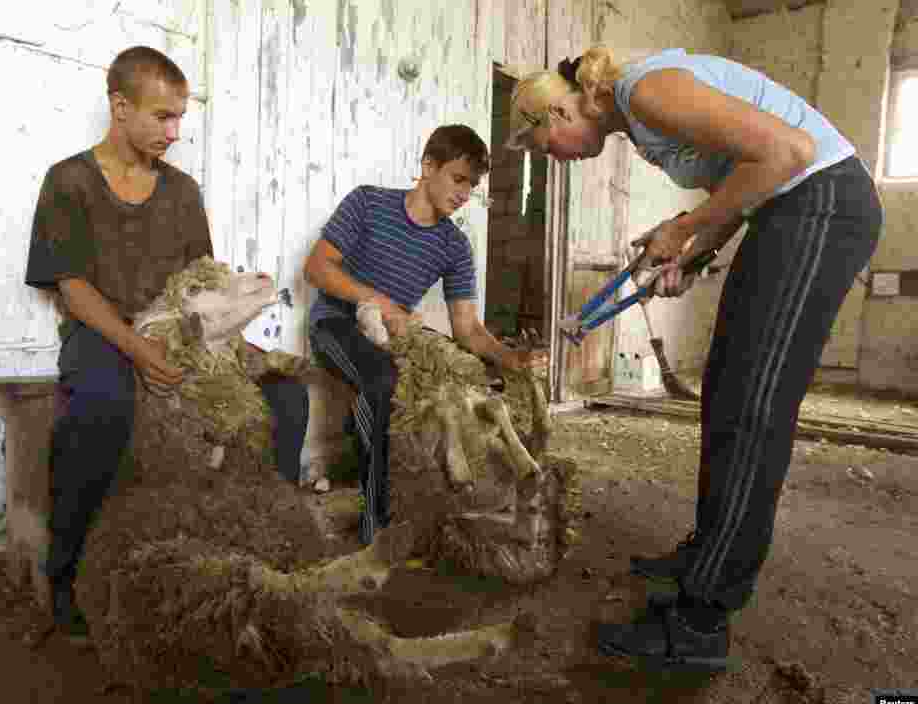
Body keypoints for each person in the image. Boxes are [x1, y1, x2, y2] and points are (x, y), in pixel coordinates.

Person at [506, 47, 882, 668]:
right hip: (787, 209)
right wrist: (696, 252)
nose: (553, 155)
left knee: (753, 408)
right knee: (729, 390)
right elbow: (741, 185)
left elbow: (788, 153)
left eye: (546, 144)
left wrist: (682, 230)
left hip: (821, 204)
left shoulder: (645, 91)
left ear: (558, 112)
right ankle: (706, 553)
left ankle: (701, 622)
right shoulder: (642, 124)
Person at [25, 46, 215, 639]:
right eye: (163, 117)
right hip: (101, 333)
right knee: (101, 408)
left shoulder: (182, 192)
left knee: (283, 401)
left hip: (173, 333)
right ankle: (65, 577)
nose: (175, 132)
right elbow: (72, 289)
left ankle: (229, 560)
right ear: (119, 107)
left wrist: (227, 344)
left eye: (180, 117)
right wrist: (138, 349)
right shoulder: (70, 181)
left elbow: (201, 281)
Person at [304, 124, 546, 546]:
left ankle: (438, 504)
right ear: (427, 167)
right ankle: (374, 524)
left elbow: (467, 329)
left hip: (393, 338)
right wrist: (381, 303)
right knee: (380, 382)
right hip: (336, 324)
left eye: (472, 186)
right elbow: (318, 268)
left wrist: (511, 359)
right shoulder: (367, 203)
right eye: (458, 179)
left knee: (456, 387)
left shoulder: (454, 245)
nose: (464, 194)